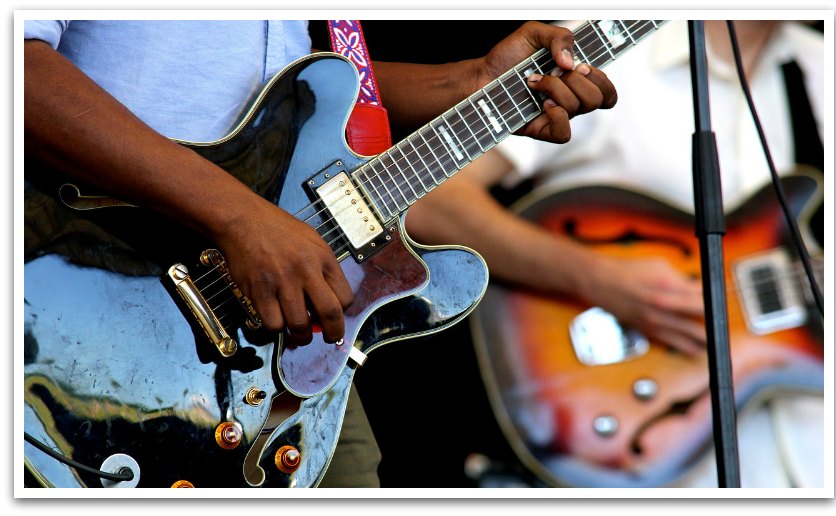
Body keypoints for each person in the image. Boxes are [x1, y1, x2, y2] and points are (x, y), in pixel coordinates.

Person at [23, 19, 617, 488]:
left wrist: (467, 82)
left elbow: (286, 88)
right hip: (87, 293)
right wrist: (241, 217)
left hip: (278, 343)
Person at [404, 20, 825, 488]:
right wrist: (601, 279)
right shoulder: (603, 39)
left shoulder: (825, 68)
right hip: (649, 449)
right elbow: (426, 196)